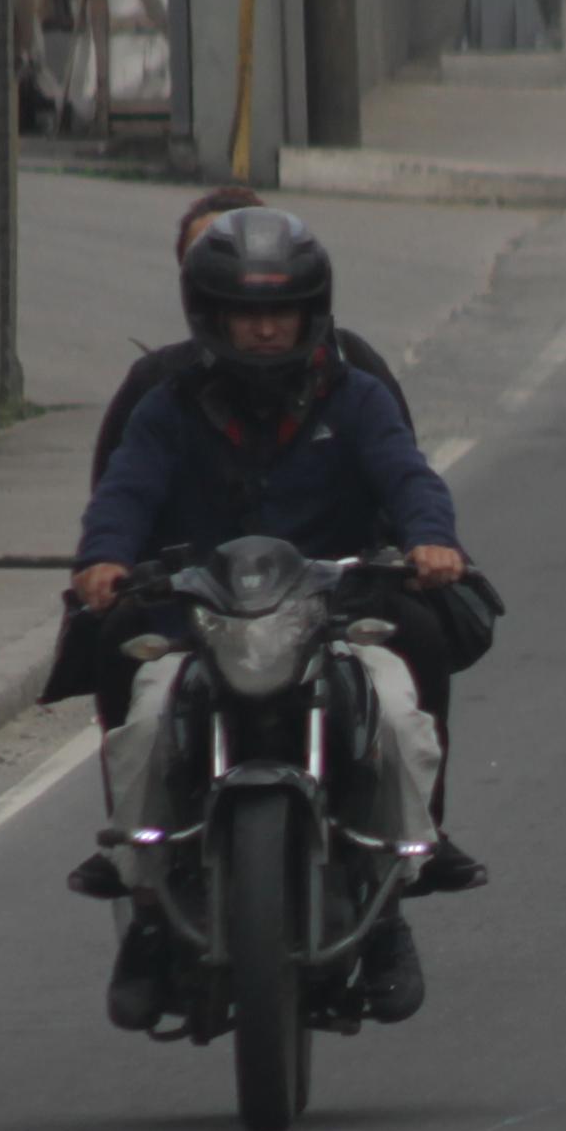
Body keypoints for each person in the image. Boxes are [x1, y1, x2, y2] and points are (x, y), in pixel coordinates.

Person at [71, 209, 472, 1029]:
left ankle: (394, 898)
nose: (263, 328)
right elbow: (125, 491)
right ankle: (148, 903)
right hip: (201, 622)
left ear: (311, 311)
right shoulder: (167, 404)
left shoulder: (354, 396)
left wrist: (431, 539)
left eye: (279, 311)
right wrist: (105, 558)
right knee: (144, 714)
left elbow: (408, 474)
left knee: (397, 710)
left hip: (335, 618)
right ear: (209, 316)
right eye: (246, 312)